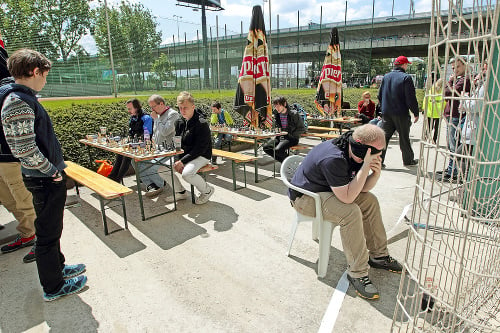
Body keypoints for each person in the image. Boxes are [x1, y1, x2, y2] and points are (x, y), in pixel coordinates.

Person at [1, 49, 87, 301]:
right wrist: (52, 172)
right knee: (47, 234)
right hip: (43, 179)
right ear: (34, 71)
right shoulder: (18, 101)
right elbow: (24, 149)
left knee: (52, 230)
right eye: (44, 75)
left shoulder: (23, 98)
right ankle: (53, 286)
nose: (45, 81)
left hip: (44, 177)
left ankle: (58, 267)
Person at [289, 124, 402, 300]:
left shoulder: (354, 149)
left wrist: (375, 174)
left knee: (370, 201)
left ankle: (379, 256)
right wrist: (365, 168)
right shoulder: (334, 159)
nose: (376, 158)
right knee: (350, 213)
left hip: (327, 189)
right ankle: (357, 273)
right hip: (305, 198)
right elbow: (348, 199)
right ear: (361, 148)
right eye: (373, 155)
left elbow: (362, 190)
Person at [0, 33, 37, 263]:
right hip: (3, 156)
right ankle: (27, 233)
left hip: (10, 154)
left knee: (22, 197)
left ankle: (35, 236)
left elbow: (29, 143)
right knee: (8, 197)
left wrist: (51, 170)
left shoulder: (15, 95)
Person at [168, 91, 214, 205]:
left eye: (185, 108)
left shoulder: (201, 123)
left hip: (202, 155)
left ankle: (207, 191)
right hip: (186, 155)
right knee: (162, 169)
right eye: (180, 108)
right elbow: (178, 143)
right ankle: (181, 192)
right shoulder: (179, 122)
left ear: (193, 107)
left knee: (186, 174)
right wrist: (177, 159)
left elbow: (200, 149)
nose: (182, 111)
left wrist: (182, 161)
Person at [378, 55, 420, 167]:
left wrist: (383, 108)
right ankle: (408, 160)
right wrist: (415, 112)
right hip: (401, 113)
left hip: (387, 113)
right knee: (404, 138)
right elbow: (410, 98)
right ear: (404, 64)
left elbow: (380, 95)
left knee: (384, 138)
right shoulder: (406, 78)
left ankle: (378, 161)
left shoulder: (386, 77)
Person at [439, 57, 471, 181]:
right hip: (452, 115)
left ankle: (454, 172)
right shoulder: (460, 79)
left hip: (457, 116)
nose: (455, 70)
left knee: (454, 146)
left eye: (458, 67)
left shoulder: (465, 80)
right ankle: (451, 169)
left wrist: (450, 82)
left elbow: (448, 93)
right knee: (452, 145)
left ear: (464, 66)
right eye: (453, 68)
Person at [147, 94, 184, 201]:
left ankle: (175, 190)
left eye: (153, 106)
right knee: (138, 163)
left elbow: (165, 131)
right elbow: (155, 133)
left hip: (171, 150)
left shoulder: (173, 114)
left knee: (157, 168)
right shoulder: (158, 115)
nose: (152, 109)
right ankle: (154, 184)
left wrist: (156, 119)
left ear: (161, 104)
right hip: (159, 149)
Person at [108, 99, 152, 184]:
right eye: (128, 109)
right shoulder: (132, 118)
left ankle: (117, 180)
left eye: (130, 109)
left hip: (145, 144)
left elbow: (147, 134)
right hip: (134, 143)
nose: (128, 111)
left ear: (136, 107)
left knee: (127, 155)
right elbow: (130, 132)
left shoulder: (146, 118)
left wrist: (135, 142)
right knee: (120, 153)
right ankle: (112, 177)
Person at [263, 96, 305, 163]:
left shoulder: (293, 114)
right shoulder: (277, 115)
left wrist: (290, 134)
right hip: (280, 137)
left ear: (284, 104)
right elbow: (277, 126)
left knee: (278, 150)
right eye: (275, 106)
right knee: (266, 147)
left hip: (292, 138)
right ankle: (287, 162)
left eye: (279, 106)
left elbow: (302, 128)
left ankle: (288, 163)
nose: (277, 108)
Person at [424, 78, 444, 144]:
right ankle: (434, 140)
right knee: (437, 128)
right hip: (439, 112)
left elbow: (426, 99)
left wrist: (424, 108)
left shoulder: (431, 90)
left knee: (430, 126)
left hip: (430, 111)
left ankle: (426, 136)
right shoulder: (443, 92)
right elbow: (445, 102)